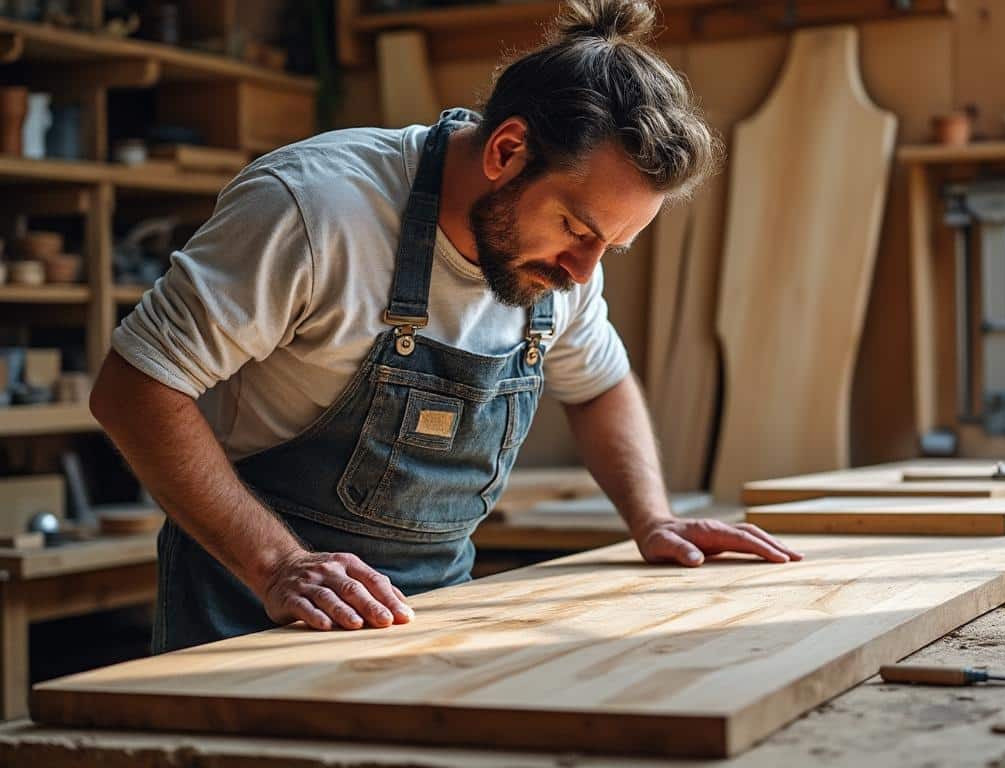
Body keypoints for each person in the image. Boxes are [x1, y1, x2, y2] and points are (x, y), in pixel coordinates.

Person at [89, 0, 802, 654]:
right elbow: (135, 389)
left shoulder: (563, 271)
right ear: (506, 151)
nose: (583, 271)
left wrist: (654, 519)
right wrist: (279, 564)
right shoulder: (315, 210)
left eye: (609, 248)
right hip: (252, 609)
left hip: (429, 618)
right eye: (576, 229)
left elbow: (599, 385)